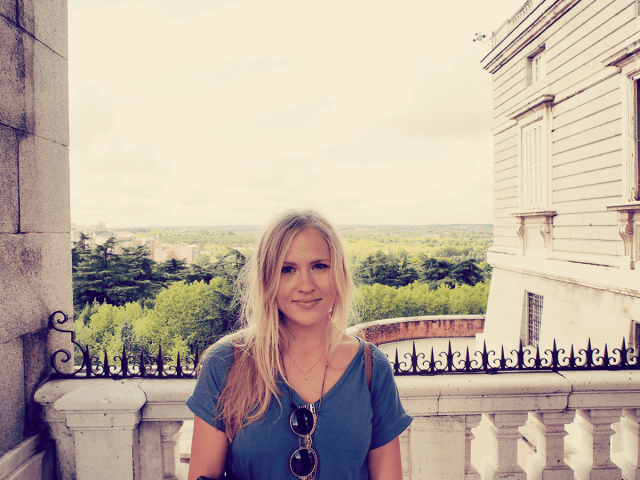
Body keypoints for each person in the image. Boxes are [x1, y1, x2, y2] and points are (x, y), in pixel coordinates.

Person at [186, 209, 412, 480]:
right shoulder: (226, 364)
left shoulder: (371, 368)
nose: (306, 285)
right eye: (287, 269)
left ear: (339, 272)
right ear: (267, 278)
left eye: (319, 266)